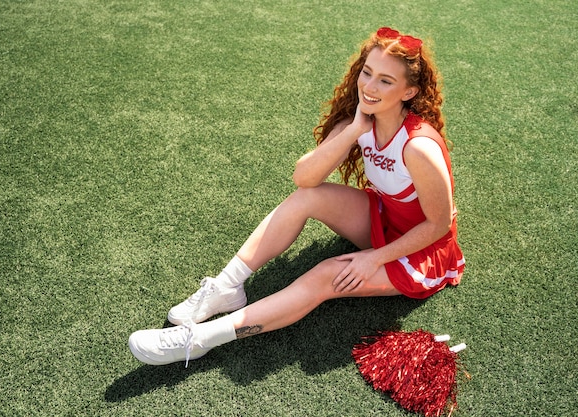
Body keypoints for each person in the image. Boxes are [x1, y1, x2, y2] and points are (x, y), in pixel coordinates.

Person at [128, 27, 465, 367]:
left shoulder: (419, 147)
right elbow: (305, 178)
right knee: (308, 196)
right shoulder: (363, 121)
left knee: (323, 276)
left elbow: (438, 224)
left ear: (409, 91)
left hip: (422, 251)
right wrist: (352, 131)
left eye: (385, 81)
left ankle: (197, 341)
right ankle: (227, 287)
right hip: (384, 218)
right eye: (367, 73)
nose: (369, 87)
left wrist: (375, 258)